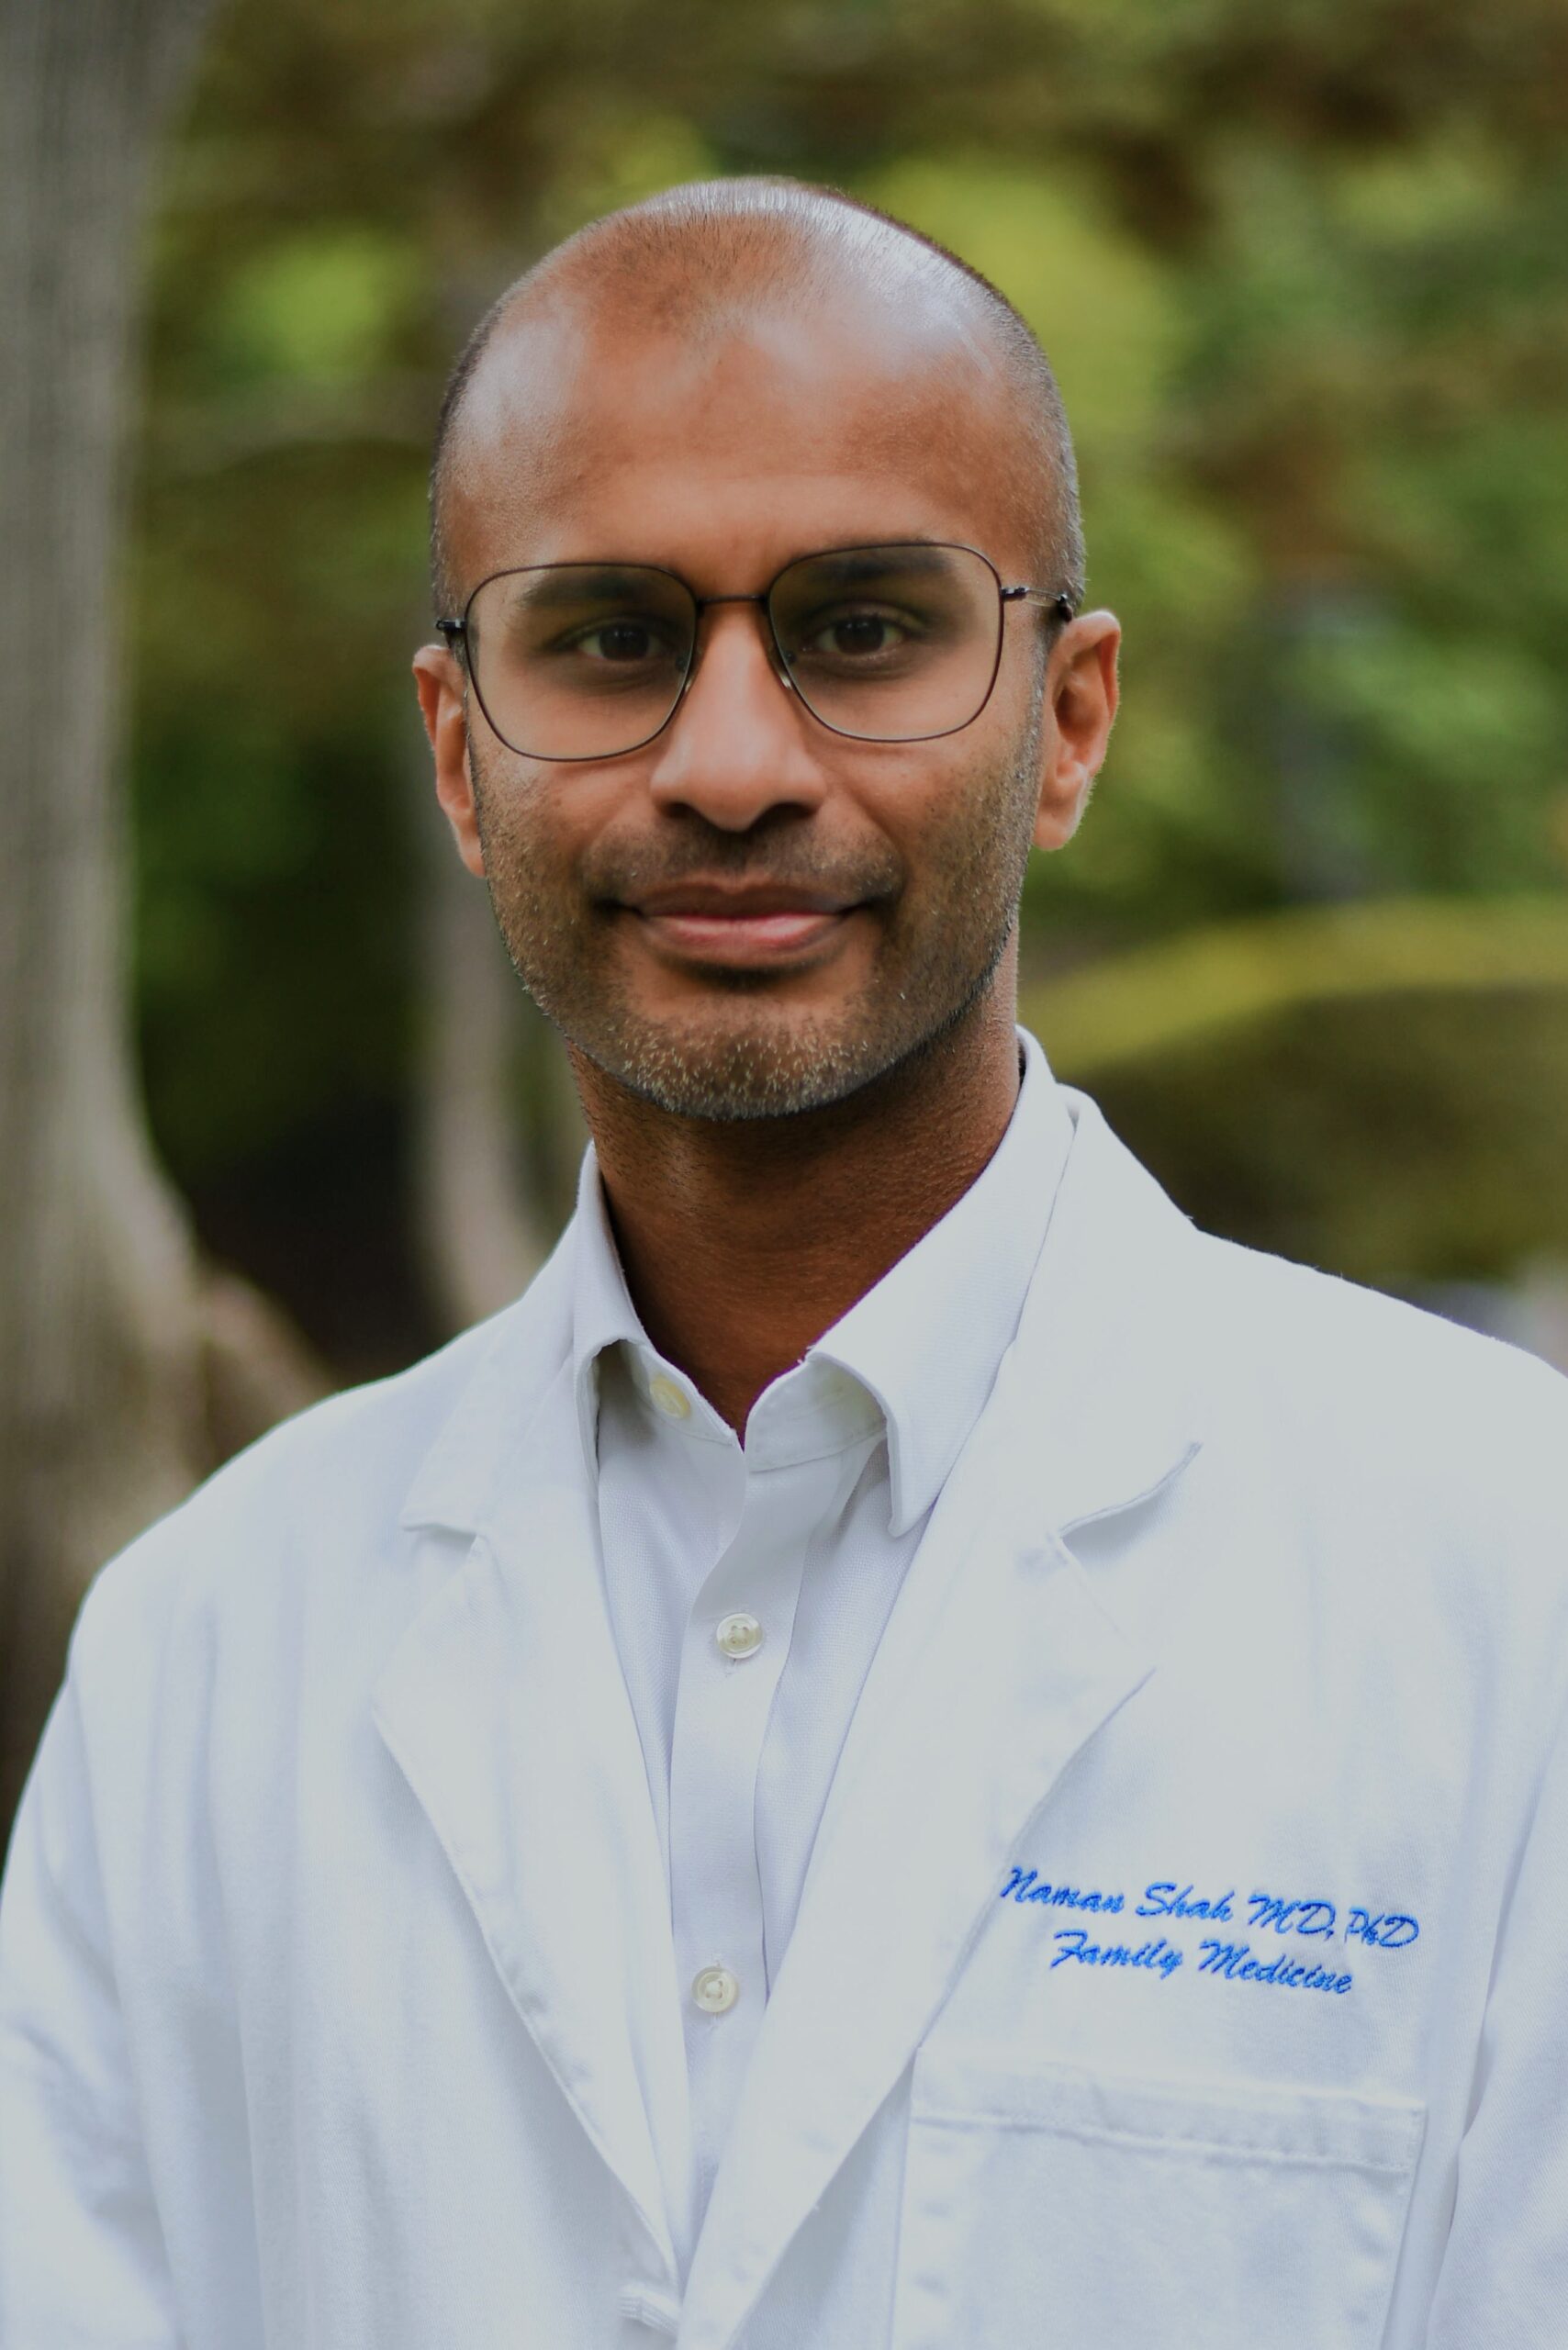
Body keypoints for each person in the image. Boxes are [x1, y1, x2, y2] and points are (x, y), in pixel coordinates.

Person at [2, 177, 1565, 2350]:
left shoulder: (1505, 1575)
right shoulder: (204, 1652)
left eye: (859, 630)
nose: (730, 763)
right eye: (611, 639)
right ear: (464, 754)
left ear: (1070, 719)